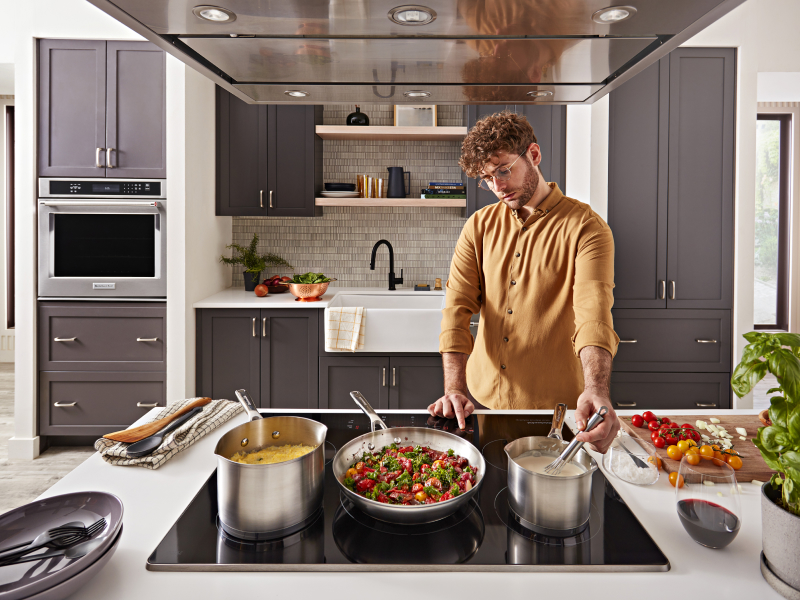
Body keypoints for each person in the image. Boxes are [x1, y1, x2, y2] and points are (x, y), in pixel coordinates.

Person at [429, 111, 620, 453]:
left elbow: (594, 314)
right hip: (483, 404)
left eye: (503, 170)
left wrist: (597, 388)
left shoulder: (587, 228)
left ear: (533, 155)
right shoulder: (479, 226)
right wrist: (454, 387)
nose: (497, 187)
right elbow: (456, 308)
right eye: (487, 178)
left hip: (555, 414)